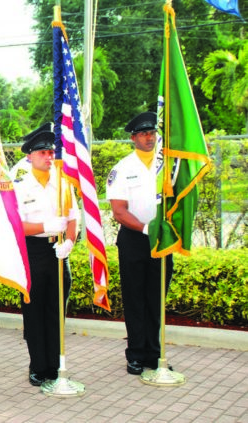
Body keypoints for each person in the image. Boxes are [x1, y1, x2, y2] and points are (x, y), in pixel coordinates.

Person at [106, 111, 174, 375]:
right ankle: (135, 354)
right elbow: (119, 212)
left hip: (162, 240)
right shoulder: (122, 169)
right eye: (144, 134)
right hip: (134, 240)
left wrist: (163, 231)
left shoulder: (168, 164)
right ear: (133, 138)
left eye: (152, 133)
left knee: (156, 298)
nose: (149, 137)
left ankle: (154, 353)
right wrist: (147, 229)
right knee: (134, 298)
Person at [13, 123, 78, 386]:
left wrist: (70, 241)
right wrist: (44, 227)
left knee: (56, 310)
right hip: (33, 250)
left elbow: (73, 216)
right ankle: (38, 366)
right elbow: (15, 225)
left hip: (59, 251)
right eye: (42, 153)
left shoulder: (62, 180)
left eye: (51, 152)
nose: (49, 157)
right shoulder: (19, 185)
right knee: (35, 310)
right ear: (29, 156)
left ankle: (55, 364)